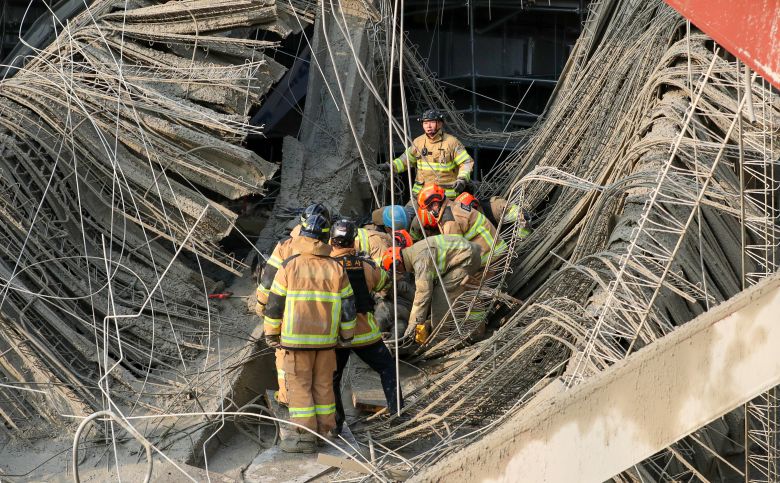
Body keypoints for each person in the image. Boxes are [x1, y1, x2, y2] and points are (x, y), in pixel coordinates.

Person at [263, 213, 356, 453]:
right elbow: (348, 307)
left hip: (295, 343)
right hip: (326, 343)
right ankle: (325, 431)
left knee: (300, 388)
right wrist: (347, 337)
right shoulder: (336, 268)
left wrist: (272, 334)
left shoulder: (289, 266)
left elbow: (275, 304)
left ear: (303, 235)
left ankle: (305, 439)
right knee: (324, 386)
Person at [329, 220, 403, 434]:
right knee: (387, 368)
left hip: (337, 338)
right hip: (366, 335)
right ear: (354, 240)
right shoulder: (366, 265)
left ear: (332, 241)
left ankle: (336, 424)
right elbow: (384, 283)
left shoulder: (326, 266)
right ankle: (398, 414)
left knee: (333, 378)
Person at [256, 203, 330, 406]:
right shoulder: (328, 249)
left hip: (291, 316)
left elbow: (268, 281)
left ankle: (288, 397)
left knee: (284, 358)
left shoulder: (285, 246)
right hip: (323, 318)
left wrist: (260, 304)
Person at [382, 234, 481, 343]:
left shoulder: (420, 260)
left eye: (397, 271)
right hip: (466, 253)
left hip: (466, 258)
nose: (400, 274)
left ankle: (439, 339)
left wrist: (413, 324)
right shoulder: (414, 253)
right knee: (440, 292)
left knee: (441, 294)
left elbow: (423, 294)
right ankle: (449, 329)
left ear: (398, 264)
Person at [385, 109, 474, 200]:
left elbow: (466, 162)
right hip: (421, 195)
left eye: (431, 122)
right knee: (406, 213)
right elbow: (405, 160)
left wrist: (462, 179)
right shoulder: (418, 142)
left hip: (445, 197)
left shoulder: (452, 142)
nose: (428, 126)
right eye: (425, 123)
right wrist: (389, 167)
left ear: (440, 124)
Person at [418, 184, 507, 267]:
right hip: (496, 250)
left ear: (435, 205)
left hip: (490, 260)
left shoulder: (449, 221)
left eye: (428, 209)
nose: (429, 212)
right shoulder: (455, 205)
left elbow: (455, 253)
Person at [455, 192, 532, 238]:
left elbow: (522, 215)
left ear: (475, 204)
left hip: (511, 237)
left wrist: (519, 240)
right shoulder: (466, 223)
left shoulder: (496, 207)